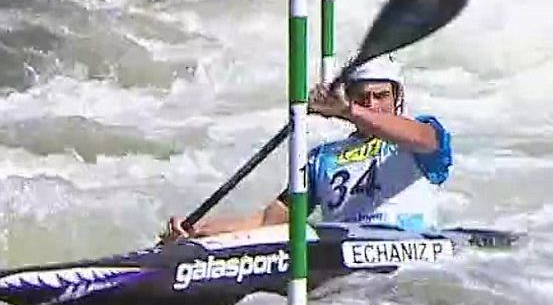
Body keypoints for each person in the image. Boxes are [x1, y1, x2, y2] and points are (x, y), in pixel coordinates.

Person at [161, 58, 452, 242]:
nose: (373, 105)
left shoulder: (422, 137)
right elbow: (267, 222)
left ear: (397, 97)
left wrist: (348, 111)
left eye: (381, 96)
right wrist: (197, 235)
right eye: (363, 98)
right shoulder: (322, 157)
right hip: (342, 253)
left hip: (406, 252)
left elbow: (422, 138)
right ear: (348, 96)